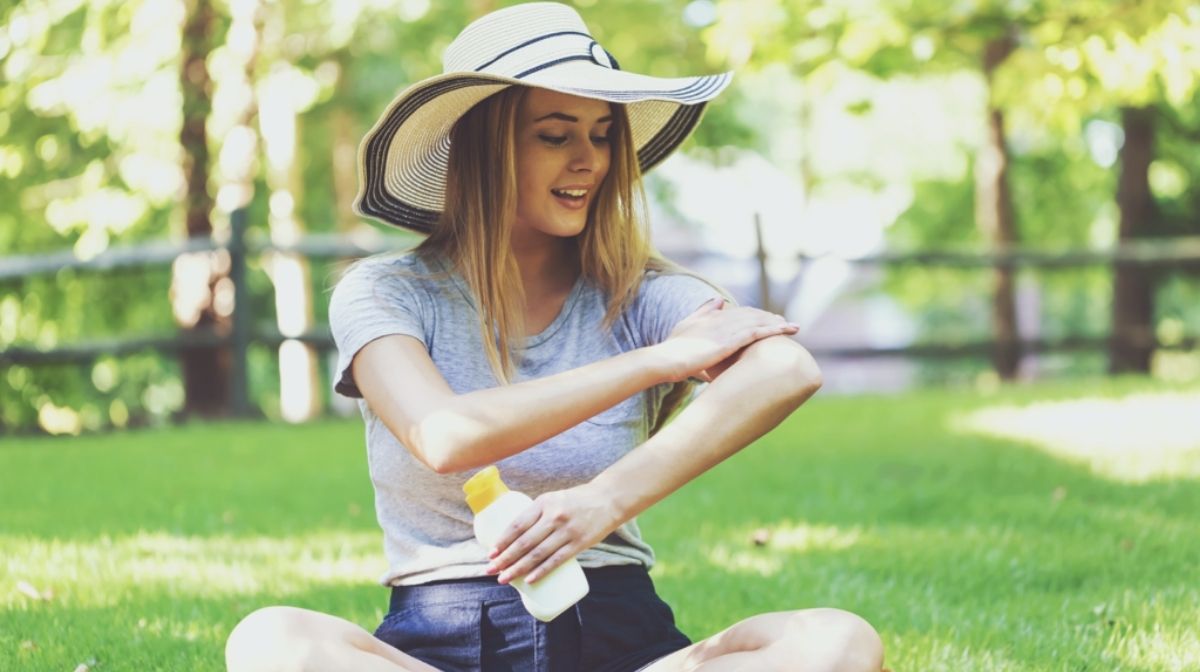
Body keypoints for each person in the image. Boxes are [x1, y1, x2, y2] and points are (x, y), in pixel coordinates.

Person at [225, 3, 885, 671]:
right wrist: (658, 363)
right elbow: (444, 435)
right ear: (484, 146)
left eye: (601, 135)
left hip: (622, 638)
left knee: (837, 640)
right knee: (271, 640)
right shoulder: (384, 291)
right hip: (444, 645)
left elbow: (786, 369)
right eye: (554, 135)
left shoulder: (641, 292)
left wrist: (601, 502)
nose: (588, 161)